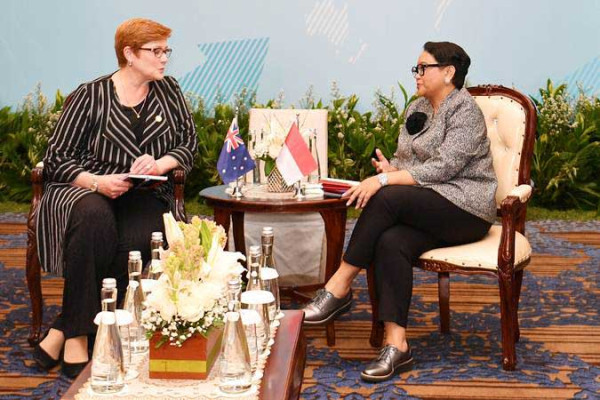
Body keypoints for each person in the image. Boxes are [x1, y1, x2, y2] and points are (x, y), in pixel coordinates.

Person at [301, 41, 497, 382]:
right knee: (390, 241)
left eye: (423, 68)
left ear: (448, 73)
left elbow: (444, 167)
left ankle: (339, 286)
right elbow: (408, 162)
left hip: (466, 208)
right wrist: (391, 169)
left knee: (386, 195)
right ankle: (397, 345)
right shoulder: (416, 108)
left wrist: (384, 180)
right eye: (416, 68)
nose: (416, 74)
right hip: (429, 204)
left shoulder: (465, 111)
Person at [33, 18, 197, 378]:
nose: (164, 58)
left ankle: (65, 325)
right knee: (93, 221)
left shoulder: (169, 91)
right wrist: (97, 182)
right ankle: (78, 336)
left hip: (143, 193)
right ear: (129, 54)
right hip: (86, 188)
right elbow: (57, 158)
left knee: (141, 238)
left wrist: (159, 164)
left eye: (166, 50)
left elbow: (189, 143)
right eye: (156, 51)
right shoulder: (91, 95)